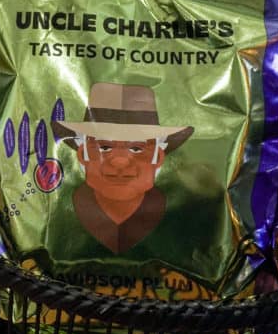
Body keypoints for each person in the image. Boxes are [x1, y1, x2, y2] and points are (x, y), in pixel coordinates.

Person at [52, 82, 193, 254]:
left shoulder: (188, 214)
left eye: (136, 148)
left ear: (159, 157)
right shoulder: (58, 213)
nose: (120, 161)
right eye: (104, 147)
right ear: (82, 155)